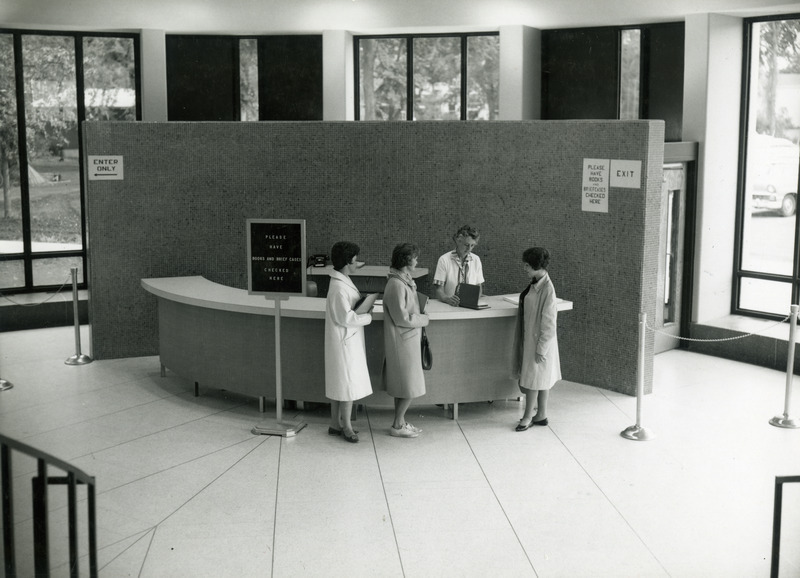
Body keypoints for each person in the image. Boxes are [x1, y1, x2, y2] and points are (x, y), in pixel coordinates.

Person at [324, 241, 377, 443]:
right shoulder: (338, 287)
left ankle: (335, 424)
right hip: (344, 342)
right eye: (355, 260)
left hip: (345, 340)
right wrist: (367, 317)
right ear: (348, 262)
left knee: (341, 383)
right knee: (347, 384)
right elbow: (345, 318)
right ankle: (346, 427)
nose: (358, 263)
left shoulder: (342, 279)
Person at [511, 247, 562, 431]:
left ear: (535, 266)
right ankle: (541, 415)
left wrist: (541, 349)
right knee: (541, 379)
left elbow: (549, 324)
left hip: (540, 343)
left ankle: (527, 416)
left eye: (526, 265)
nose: (524, 268)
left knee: (533, 380)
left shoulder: (547, 289)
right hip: (535, 341)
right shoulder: (536, 282)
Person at [383, 243, 430, 438]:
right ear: (406, 260)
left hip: (407, 340)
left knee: (404, 385)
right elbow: (401, 318)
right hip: (403, 342)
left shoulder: (403, 280)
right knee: (409, 386)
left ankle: (399, 422)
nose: (417, 261)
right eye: (414, 258)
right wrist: (424, 318)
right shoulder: (396, 284)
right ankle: (397, 425)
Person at [433, 225, 485, 306]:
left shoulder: (476, 260)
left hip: (470, 307)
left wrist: (474, 301)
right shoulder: (444, 260)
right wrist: (447, 299)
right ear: (458, 241)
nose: (469, 249)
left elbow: (479, 287)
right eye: (466, 245)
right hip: (450, 306)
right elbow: (439, 290)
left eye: (472, 245)